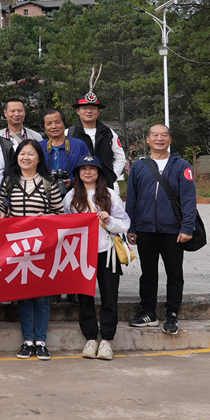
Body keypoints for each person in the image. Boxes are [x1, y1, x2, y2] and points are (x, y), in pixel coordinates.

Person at [0, 140, 64, 361]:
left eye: (31, 154)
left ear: (39, 158)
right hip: (17, 246)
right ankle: (28, 341)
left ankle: (40, 341)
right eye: (22, 153)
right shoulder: (10, 181)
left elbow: (60, 214)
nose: (26, 157)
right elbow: (0, 205)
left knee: (42, 296)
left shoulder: (49, 183)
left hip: (42, 246)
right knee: (23, 295)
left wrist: (47, 217)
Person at [126, 124, 198, 336]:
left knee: (174, 273)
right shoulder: (138, 167)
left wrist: (187, 227)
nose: (159, 138)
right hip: (145, 229)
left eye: (164, 135)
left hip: (173, 231)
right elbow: (132, 199)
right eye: (155, 135)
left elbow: (189, 199)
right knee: (148, 273)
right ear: (148, 140)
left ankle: (172, 313)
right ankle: (148, 312)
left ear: (170, 139)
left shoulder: (181, 165)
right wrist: (131, 226)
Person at [64, 155, 130, 361]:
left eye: (92, 168)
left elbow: (124, 223)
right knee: (85, 298)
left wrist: (109, 220)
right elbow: (64, 224)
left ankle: (107, 341)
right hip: (82, 254)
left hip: (107, 252)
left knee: (110, 297)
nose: (88, 172)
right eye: (83, 169)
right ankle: (90, 338)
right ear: (78, 173)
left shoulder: (109, 195)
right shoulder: (71, 196)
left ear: (99, 172)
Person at [67, 92, 127, 189]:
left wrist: (111, 177)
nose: (89, 111)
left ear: (98, 111)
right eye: (84, 108)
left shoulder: (108, 133)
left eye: (93, 108)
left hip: (105, 187)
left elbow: (120, 158)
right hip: (77, 187)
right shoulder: (69, 133)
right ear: (78, 111)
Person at [41, 108, 88, 199]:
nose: (54, 126)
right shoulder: (39, 147)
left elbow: (88, 169)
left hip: (75, 195)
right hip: (44, 196)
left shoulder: (78, 145)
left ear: (63, 123)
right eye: (49, 124)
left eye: (57, 122)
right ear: (44, 126)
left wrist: (73, 181)